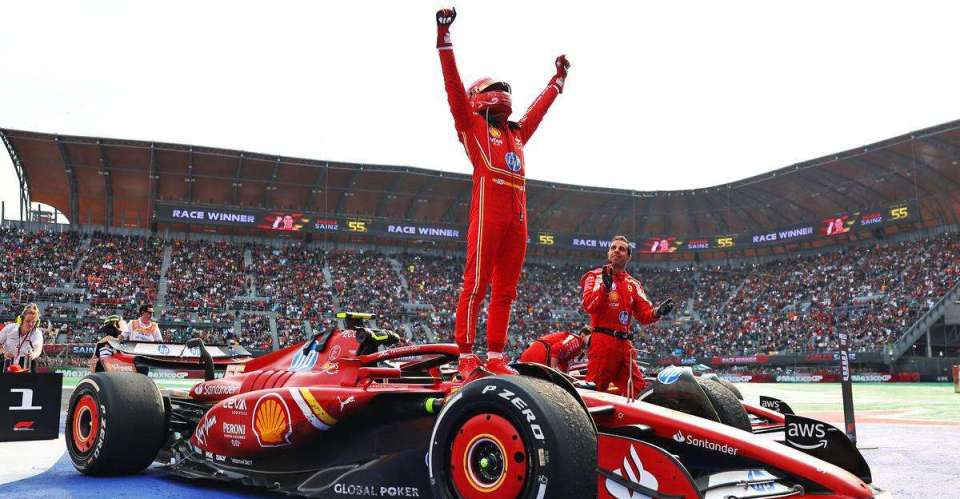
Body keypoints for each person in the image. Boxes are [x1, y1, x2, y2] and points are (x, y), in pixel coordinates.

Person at [435, 7, 570, 378]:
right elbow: (451, 88)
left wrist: (556, 82)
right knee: (476, 284)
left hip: (518, 221)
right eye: (494, 90)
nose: (502, 94)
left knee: (506, 291)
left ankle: (495, 356)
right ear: (479, 98)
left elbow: (536, 113)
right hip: (488, 215)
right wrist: (444, 39)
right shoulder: (472, 126)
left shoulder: (516, 134)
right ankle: (466, 356)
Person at [580, 236, 674, 398]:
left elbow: (644, 315)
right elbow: (588, 305)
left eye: (621, 249)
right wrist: (605, 289)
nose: (616, 250)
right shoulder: (595, 276)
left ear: (628, 257)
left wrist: (657, 312)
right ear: (609, 252)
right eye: (613, 248)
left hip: (625, 347)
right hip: (603, 343)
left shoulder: (633, 284)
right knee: (595, 392)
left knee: (638, 390)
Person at [518, 326, 591, 373]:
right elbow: (556, 349)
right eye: (591, 338)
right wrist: (554, 372)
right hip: (539, 355)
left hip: (536, 355)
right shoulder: (576, 340)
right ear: (582, 336)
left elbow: (564, 364)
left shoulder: (578, 348)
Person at [1, 303, 44, 372]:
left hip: (26, 362)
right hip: (7, 360)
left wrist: (33, 355)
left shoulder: (37, 333)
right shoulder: (9, 328)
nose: (30, 324)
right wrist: (4, 353)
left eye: (33, 322)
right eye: (28, 321)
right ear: (21, 320)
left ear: (37, 323)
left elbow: (38, 349)